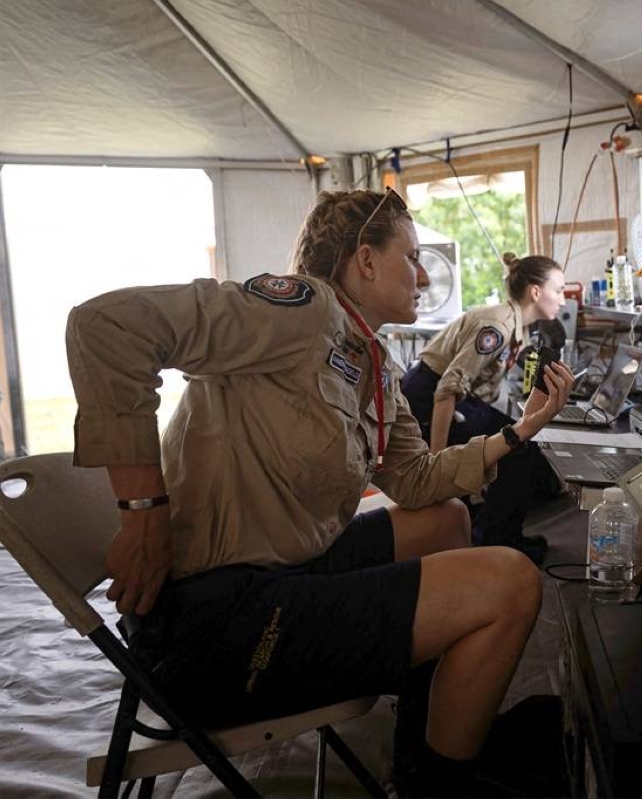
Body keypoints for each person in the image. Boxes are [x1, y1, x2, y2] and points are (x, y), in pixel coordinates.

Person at [64, 187, 576, 797]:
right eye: (411, 257)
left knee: (444, 522)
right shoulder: (300, 309)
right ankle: (442, 786)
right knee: (512, 580)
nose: (422, 275)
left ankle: (430, 741)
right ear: (365, 260)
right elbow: (104, 326)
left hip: (283, 574)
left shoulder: (373, 362)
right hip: (213, 627)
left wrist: (521, 431)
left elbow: (414, 479)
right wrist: (144, 516)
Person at [401, 252, 566, 563]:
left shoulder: (517, 327)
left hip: (449, 396)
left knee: (519, 440)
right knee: (518, 448)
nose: (563, 300)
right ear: (535, 292)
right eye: (558, 290)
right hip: (428, 397)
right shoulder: (498, 327)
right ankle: (495, 541)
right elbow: (447, 388)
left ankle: (500, 535)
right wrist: (437, 463)